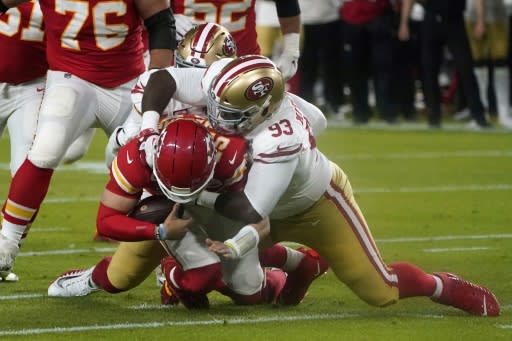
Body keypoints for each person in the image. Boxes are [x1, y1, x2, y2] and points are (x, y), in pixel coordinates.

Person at [139, 54, 500, 315]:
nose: (213, 117)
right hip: (250, 205)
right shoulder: (229, 77)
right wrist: (148, 129)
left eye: (228, 114)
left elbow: (252, 211)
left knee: (381, 291)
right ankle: (302, 266)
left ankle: (443, 285)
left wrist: (192, 192)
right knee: (234, 281)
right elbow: (162, 80)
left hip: (312, 206)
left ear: (261, 112)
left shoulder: (279, 139)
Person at [0, 0, 176, 275]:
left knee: (157, 166)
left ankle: (167, 260)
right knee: (45, 149)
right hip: (71, 79)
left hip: (127, 84)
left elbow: (161, 23)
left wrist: (156, 80)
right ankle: (6, 244)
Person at [399, 0, 490, 128]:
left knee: (466, 68)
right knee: (429, 70)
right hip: (431, 19)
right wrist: (404, 22)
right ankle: (433, 117)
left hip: (454, 20)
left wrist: (481, 20)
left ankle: (479, 116)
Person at [170, 0, 302, 81]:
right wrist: (167, 18)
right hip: (185, 59)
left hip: (241, 60)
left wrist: (291, 51)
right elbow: (151, 8)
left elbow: (287, 3)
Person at [465, 0, 512, 128]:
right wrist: (481, 19)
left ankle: (502, 113)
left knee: (499, 63)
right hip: (476, 14)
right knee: (481, 64)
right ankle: (483, 113)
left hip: (495, 13)